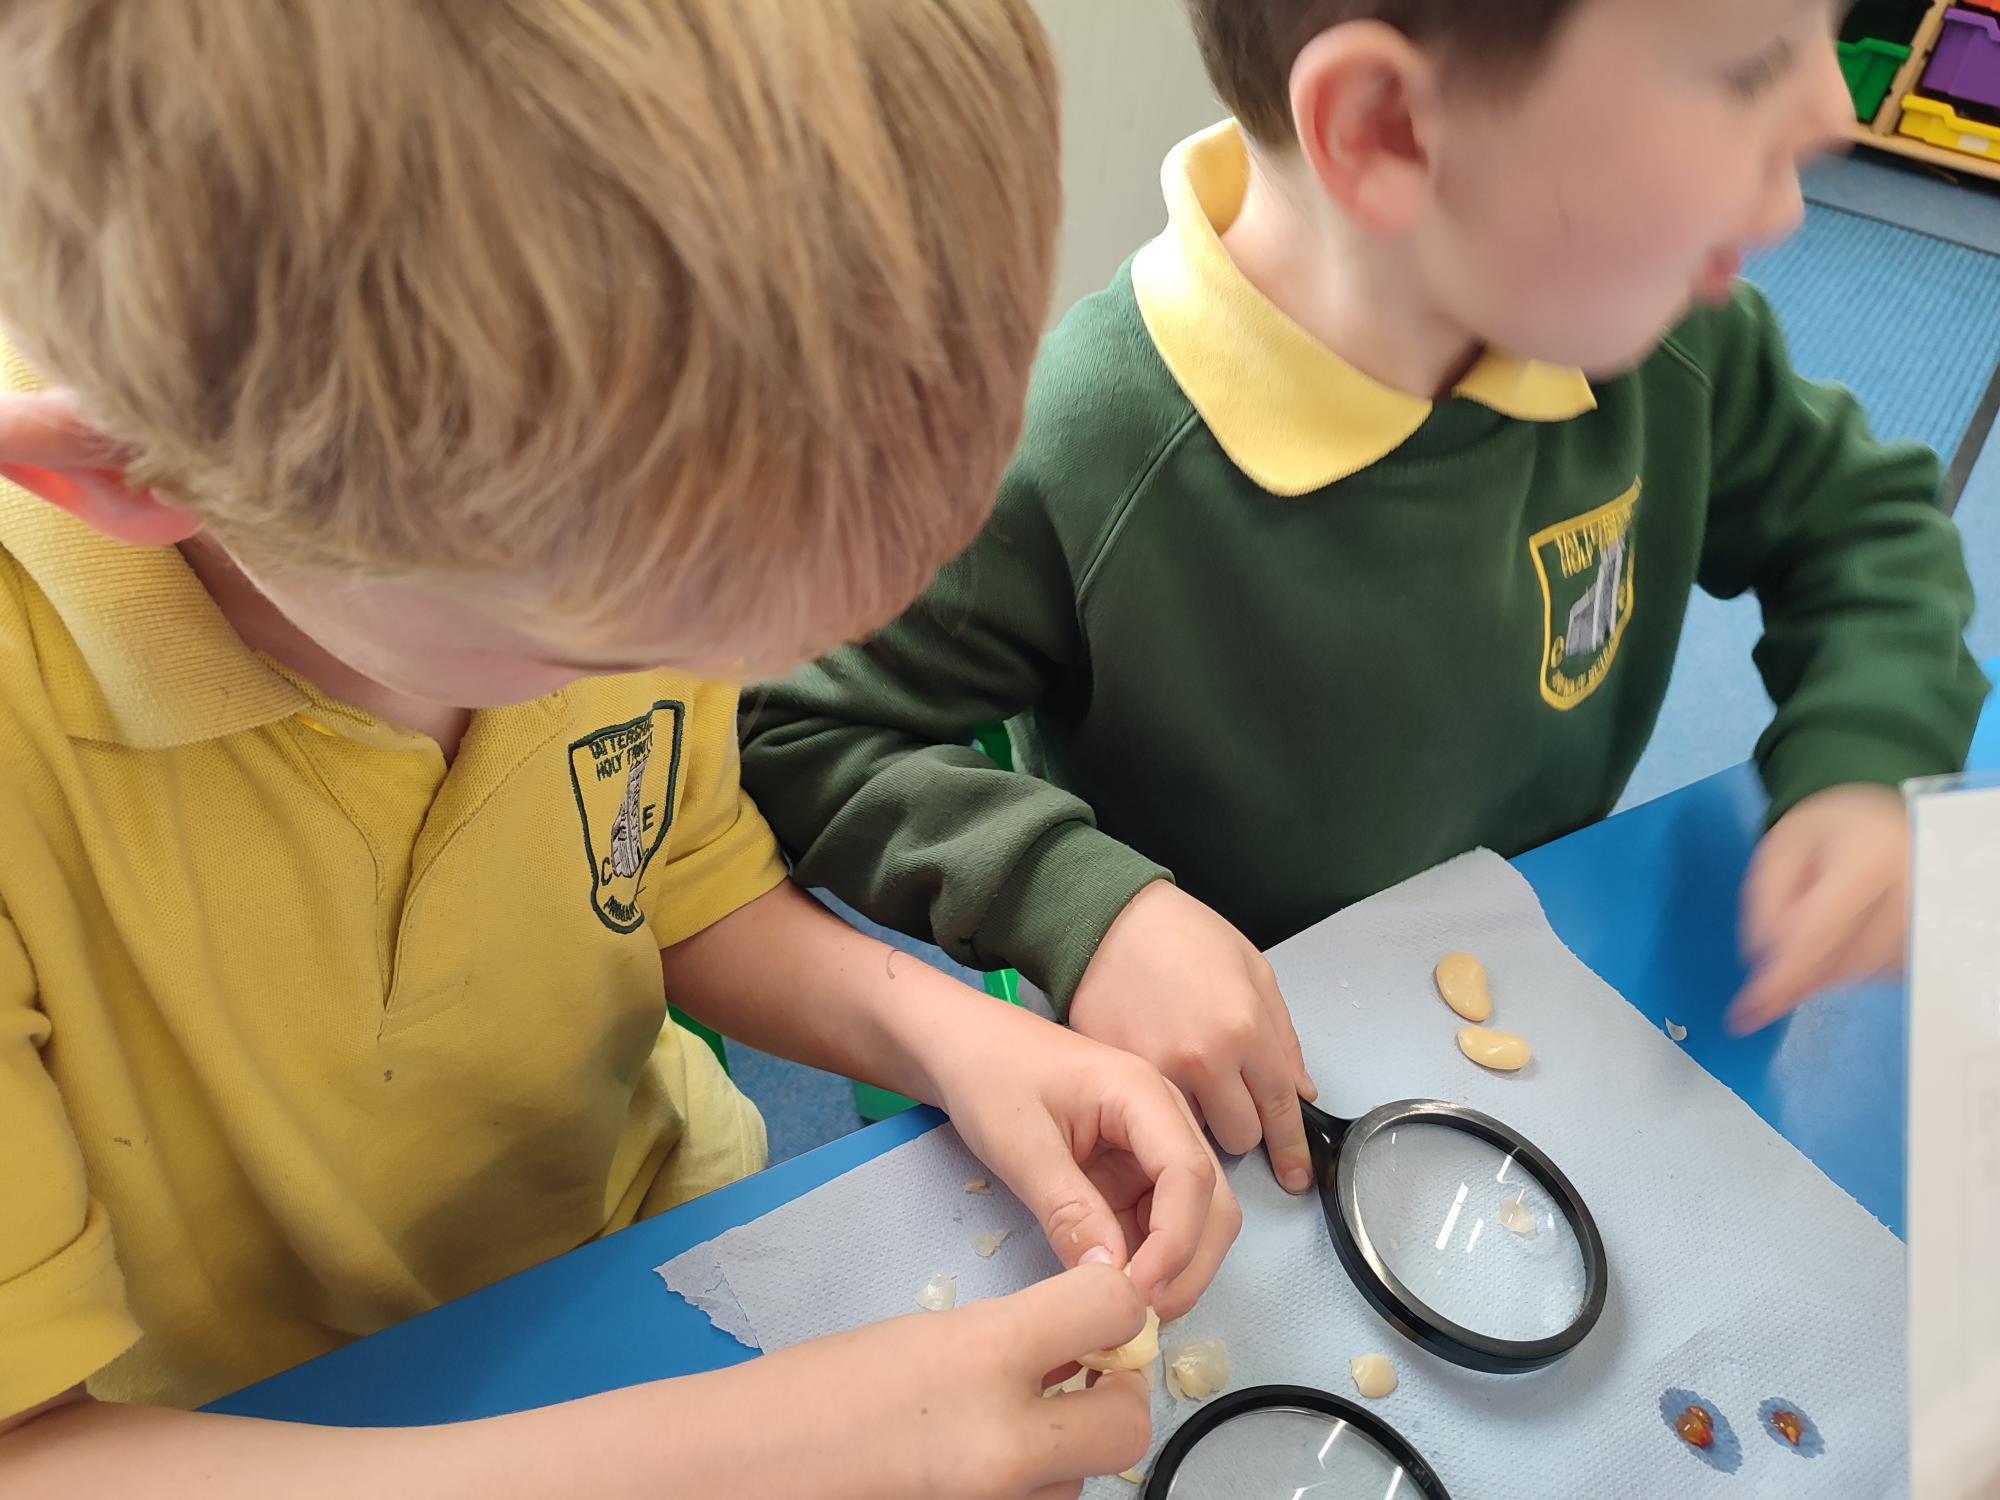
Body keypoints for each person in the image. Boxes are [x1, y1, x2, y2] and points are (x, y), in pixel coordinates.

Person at [0, 3, 1242, 1496]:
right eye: (604, 652)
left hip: (637, 1242)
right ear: (121, 477)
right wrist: (770, 1456)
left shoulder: (571, 496)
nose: (680, 683)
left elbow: (669, 877)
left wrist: (949, 1034)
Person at [741, 0, 1989, 1195]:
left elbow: (1863, 528)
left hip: (1562, 1005)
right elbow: (799, 724)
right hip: (1238, 1099)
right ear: (1385, 128)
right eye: (1745, 64)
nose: (1830, 111)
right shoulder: (1087, 452)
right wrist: (1085, 908)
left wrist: (1863, 756)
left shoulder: (1662, 333)